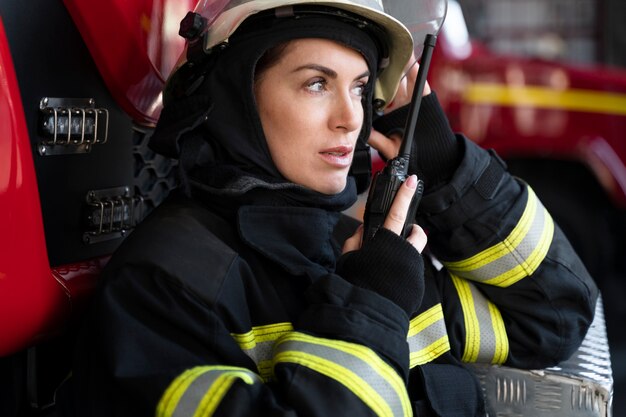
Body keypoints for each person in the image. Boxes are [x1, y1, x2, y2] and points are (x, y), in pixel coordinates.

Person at [57, 0, 599, 415]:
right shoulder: (163, 289)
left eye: (361, 87)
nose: (351, 118)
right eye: (317, 84)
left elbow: (555, 314)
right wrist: (367, 311)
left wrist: (449, 167)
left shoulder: (361, 251)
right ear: (236, 99)